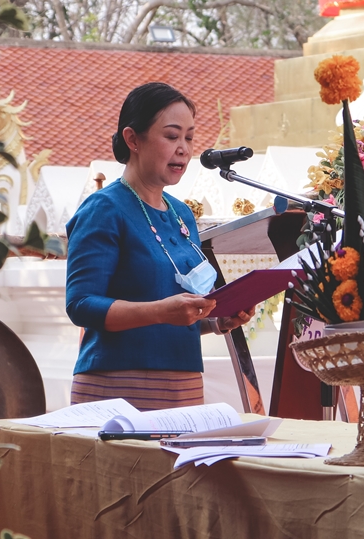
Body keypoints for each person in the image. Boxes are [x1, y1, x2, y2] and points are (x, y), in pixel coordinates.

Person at [65, 82, 253, 410]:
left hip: (184, 385)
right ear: (132, 139)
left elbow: (179, 313)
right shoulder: (104, 209)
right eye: (171, 136)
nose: (183, 148)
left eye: (190, 138)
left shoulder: (182, 214)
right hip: (118, 386)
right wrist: (159, 311)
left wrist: (217, 319)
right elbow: (81, 304)